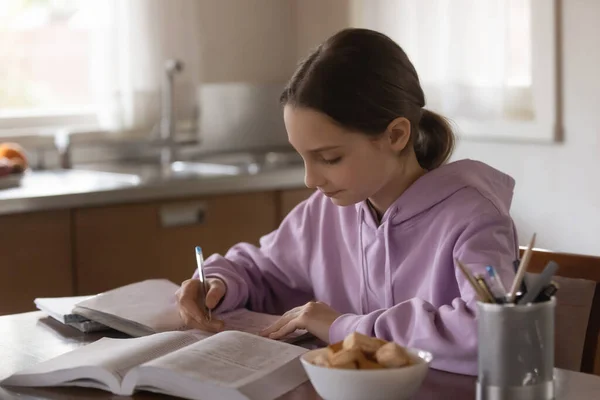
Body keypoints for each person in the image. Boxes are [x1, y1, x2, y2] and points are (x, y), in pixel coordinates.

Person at [176, 28, 518, 375]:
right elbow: (263, 271)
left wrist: (345, 328)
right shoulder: (324, 212)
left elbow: (493, 331)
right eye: (303, 158)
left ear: (395, 135)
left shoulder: (473, 218)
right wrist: (217, 282)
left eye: (329, 158)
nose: (310, 179)